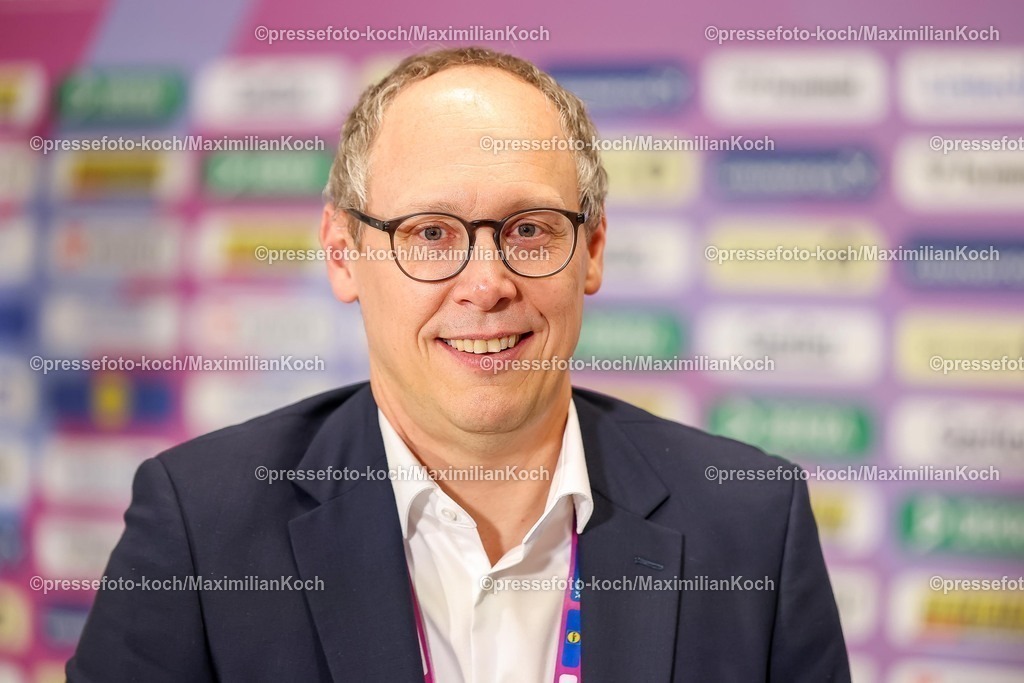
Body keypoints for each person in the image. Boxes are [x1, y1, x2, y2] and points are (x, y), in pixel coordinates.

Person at [67, 47, 850, 682]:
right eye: (431, 233)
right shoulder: (201, 526)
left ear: (593, 251)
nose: (486, 284)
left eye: (531, 228)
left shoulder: (751, 524)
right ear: (344, 254)